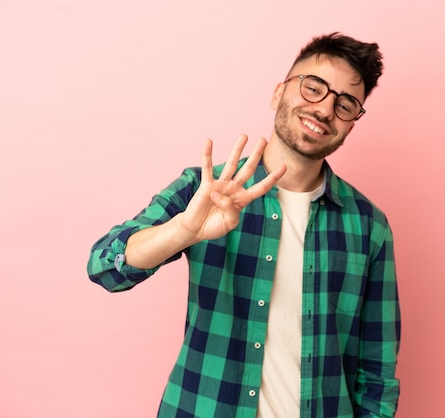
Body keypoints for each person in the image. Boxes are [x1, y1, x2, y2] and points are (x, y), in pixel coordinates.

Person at [88, 32, 400, 418]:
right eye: (314, 88)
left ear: (353, 122)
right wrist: (183, 231)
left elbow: (377, 372)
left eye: (346, 103)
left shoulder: (368, 226)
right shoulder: (207, 189)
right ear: (278, 93)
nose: (324, 109)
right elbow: (105, 266)